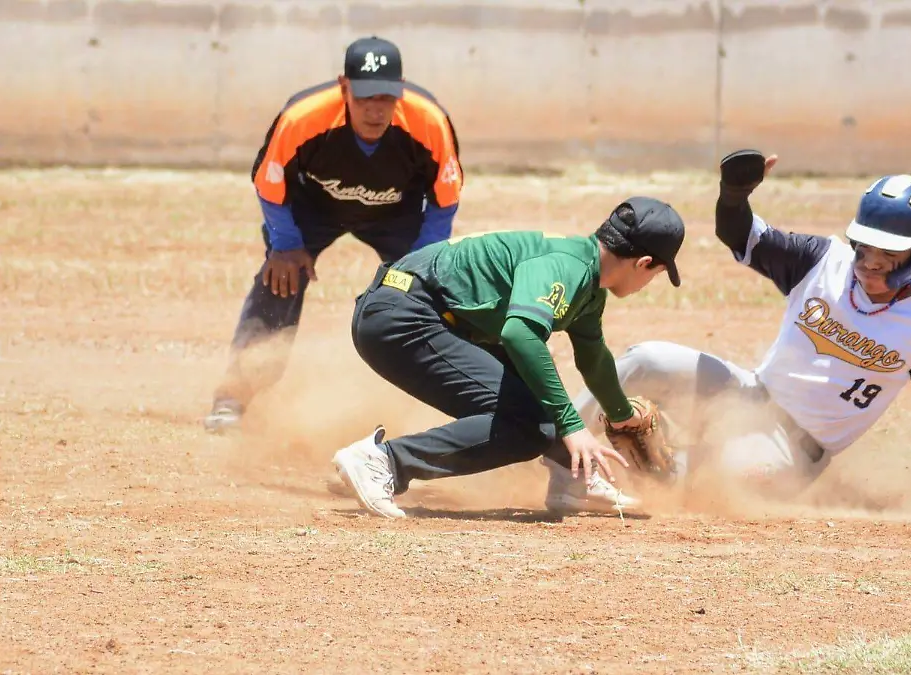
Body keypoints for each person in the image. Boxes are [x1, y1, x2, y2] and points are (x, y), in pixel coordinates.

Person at [542, 150, 911, 514]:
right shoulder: (822, 262)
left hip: (793, 451)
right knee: (648, 359)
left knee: (726, 476)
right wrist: (733, 196)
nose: (871, 261)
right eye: (866, 246)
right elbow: (741, 236)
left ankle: (650, 464)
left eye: (888, 253)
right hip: (749, 395)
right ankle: (554, 446)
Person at [331, 197, 687, 518]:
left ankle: (574, 479)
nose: (651, 281)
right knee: (529, 425)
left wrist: (621, 415)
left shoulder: (588, 281)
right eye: (657, 273)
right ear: (643, 263)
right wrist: (573, 425)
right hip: (403, 318)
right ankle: (385, 462)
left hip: (416, 313)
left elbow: (593, 356)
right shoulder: (568, 267)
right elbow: (518, 334)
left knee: (536, 396)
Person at [203, 35, 464, 432]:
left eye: (386, 98)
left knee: (434, 293)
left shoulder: (428, 122)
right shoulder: (303, 118)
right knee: (279, 280)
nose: (376, 110)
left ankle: (474, 405)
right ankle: (232, 398)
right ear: (344, 87)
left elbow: (445, 200)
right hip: (314, 207)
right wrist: (287, 245)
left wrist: (422, 265)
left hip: (397, 214)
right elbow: (270, 184)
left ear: (402, 90)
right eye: (364, 98)